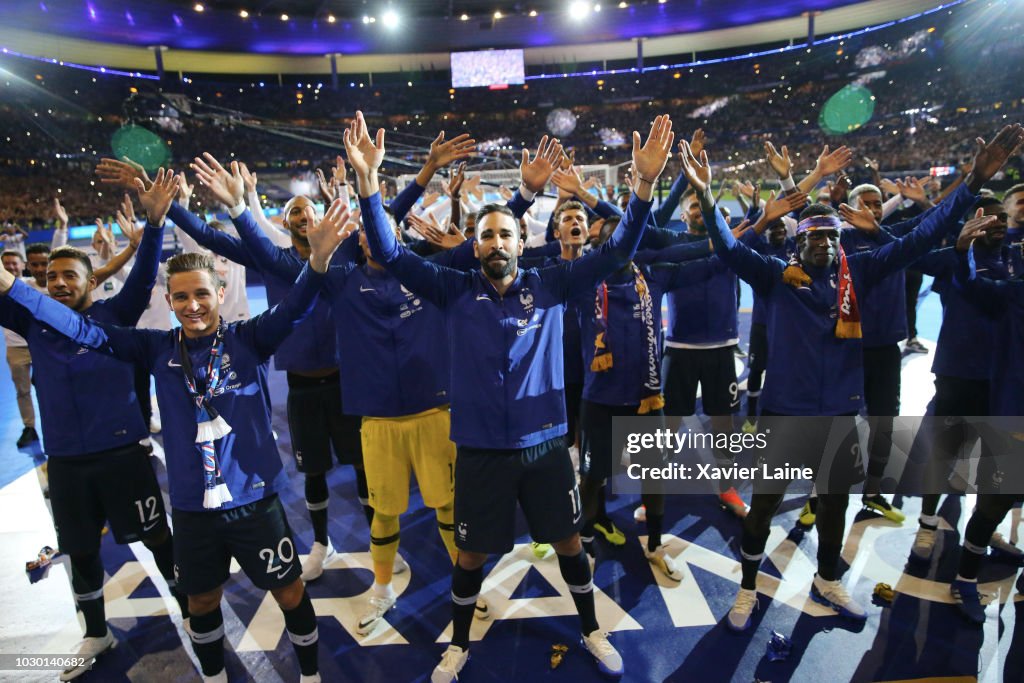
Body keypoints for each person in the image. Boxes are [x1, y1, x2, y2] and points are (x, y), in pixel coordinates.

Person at [347, 109, 675, 681]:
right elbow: (392, 253)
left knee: (571, 544)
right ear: (474, 247)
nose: (496, 242)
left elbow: (619, 251)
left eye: (505, 233)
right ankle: (459, 643)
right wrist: (370, 187)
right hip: (478, 451)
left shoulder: (554, 282)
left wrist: (644, 186)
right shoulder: (451, 288)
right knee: (470, 556)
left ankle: (592, 628)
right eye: (486, 235)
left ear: (523, 239)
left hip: (546, 448)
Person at [0, 185, 354, 683]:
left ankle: (312, 676)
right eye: (182, 296)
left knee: (290, 592)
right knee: (201, 598)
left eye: (202, 294)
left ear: (219, 294)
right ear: (168, 301)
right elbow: (82, 330)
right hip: (191, 511)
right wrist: (14, 287)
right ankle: (213, 677)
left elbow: (295, 307)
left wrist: (316, 265)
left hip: (255, 503)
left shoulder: (249, 339)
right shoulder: (153, 349)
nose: (192, 305)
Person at [677, 123, 1021, 631]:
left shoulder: (858, 272)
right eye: (814, 235)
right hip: (785, 413)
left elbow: (920, 237)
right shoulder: (775, 275)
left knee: (835, 502)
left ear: (840, 241)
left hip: (839, 409)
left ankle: (826, 578)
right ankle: (748, 588)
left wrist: (970, 183)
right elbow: (727, 249)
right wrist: (707, 198)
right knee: (765, 505)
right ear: (799, 242)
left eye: (831, 236)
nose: (824, 243)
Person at [0, 170, 185, 682]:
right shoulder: (32, 322)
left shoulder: (114, 315)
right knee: (80, 549)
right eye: (51, 278)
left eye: (70, 277)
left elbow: (146, 275)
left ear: (91, 283)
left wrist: (152, 225)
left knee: (157, 538)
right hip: (65, 462)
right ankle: (96, 630)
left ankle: (190, 608)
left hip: (123, 456)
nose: (58, 283)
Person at [1, 250, 40, 448]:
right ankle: (29, 427)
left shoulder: (33, 284)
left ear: (23, 265)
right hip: (15, 349)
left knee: (48, 387)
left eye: (14, 264)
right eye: (6, 264)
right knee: (22, 390)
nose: (11, 267)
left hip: (39, 344)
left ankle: (57, 422)